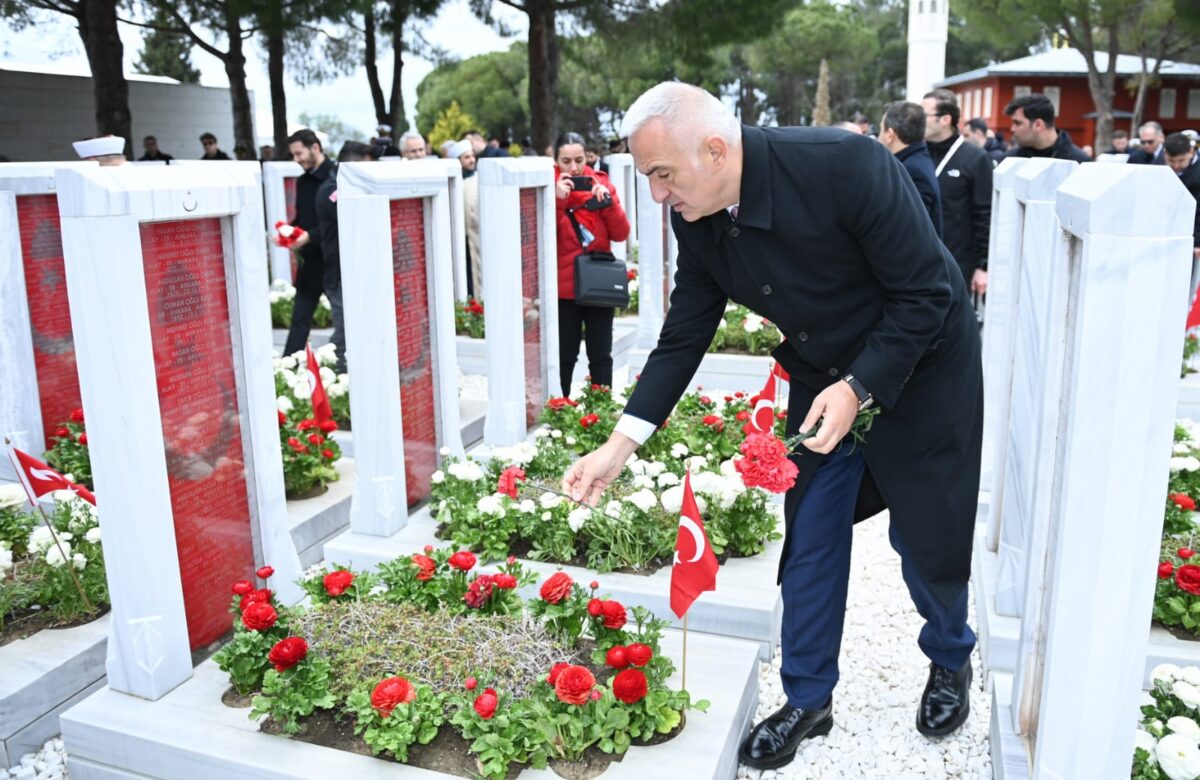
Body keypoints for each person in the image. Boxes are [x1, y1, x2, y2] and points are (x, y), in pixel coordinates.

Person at [562, 83, 982, 769]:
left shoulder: (846, 166)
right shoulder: (694, 219)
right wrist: (621, 443)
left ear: (716, 148)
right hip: (824, 372)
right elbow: (684, 332)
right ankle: (808, 699)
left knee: (923, 532)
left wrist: (861, 387)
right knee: (812, 533)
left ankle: (949, 655)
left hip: (924, 361)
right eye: (649, 180)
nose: (658, 196)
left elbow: (928, 292)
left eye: (663, 176)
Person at [553, 131, 630, 396]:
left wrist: (607, 203)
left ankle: (601, 410)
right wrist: (557, 202)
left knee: (601, 354)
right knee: (564, 355)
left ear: (588, 157)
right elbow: (538, 239)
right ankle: (560, 410)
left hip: (598, 284)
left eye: (579, 159)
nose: (573, 168)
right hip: (564, 290)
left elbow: (621, 233)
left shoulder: (603, 184)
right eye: (566, 161)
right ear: (556, 161)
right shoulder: (546, 188)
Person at [924, 89, 993, 296]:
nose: (917, 120)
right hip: (917, 259)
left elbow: (985, 214)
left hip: (957, 264)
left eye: (923, 115)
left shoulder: (975, 158)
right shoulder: (917, 152)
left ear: (945, 119)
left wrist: (983, 266)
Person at [313, 140, 373, 373]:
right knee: (346, 331)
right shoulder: (330, 189)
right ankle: (332, 376)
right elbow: (354, 216)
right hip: (339, 274)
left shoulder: (351, 185)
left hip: (358, 271)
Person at [277, 129, 336, 360]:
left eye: (299, 153)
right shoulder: (302, 182)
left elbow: (338, 222)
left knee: (344, 320)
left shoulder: (338, 176)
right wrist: (288, 234)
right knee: (300, 318)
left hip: (334, 262)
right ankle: (287, 368)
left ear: (315, 147)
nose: (296, 159)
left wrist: (310, 236)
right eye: (293, 155)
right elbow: (302, 220)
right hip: (311, 262)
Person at [878, 101, 942, 238]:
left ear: (890, 135)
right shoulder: (916, 161)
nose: (879, 136)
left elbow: (909, 231)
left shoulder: (910, 170)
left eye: (880, 129)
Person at [1002, 94, 1090, 163]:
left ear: (1038, 125)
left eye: (1017, 123)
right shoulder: (1010, 160)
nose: (1012, 129)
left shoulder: (1079, 163)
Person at [449, 140, 483, 298]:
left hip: (479, 239)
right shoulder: (451, 184)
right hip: (459, 241)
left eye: (472, 156)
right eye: (466, 157)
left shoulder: (481, 180)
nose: (471, 160)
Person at [1165, 132, 1200, 259]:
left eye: (1181, 160)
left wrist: (1197, 241)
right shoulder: (1160, 165)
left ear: (1191, 152)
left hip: (1192, 233)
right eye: (1171, 161)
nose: (1176, 166)